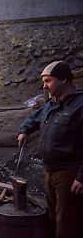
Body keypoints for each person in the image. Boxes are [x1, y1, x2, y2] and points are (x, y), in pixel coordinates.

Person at [18, 60, 83, 238]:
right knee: (54, 219)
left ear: (63, 79)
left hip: (69, 174)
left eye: (48, 81)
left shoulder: (80, 105)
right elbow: (32, 119)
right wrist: (24, 131)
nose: (44, 86)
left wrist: (81, 177)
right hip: (49, 172)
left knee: (67, 225)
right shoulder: (51, 104)